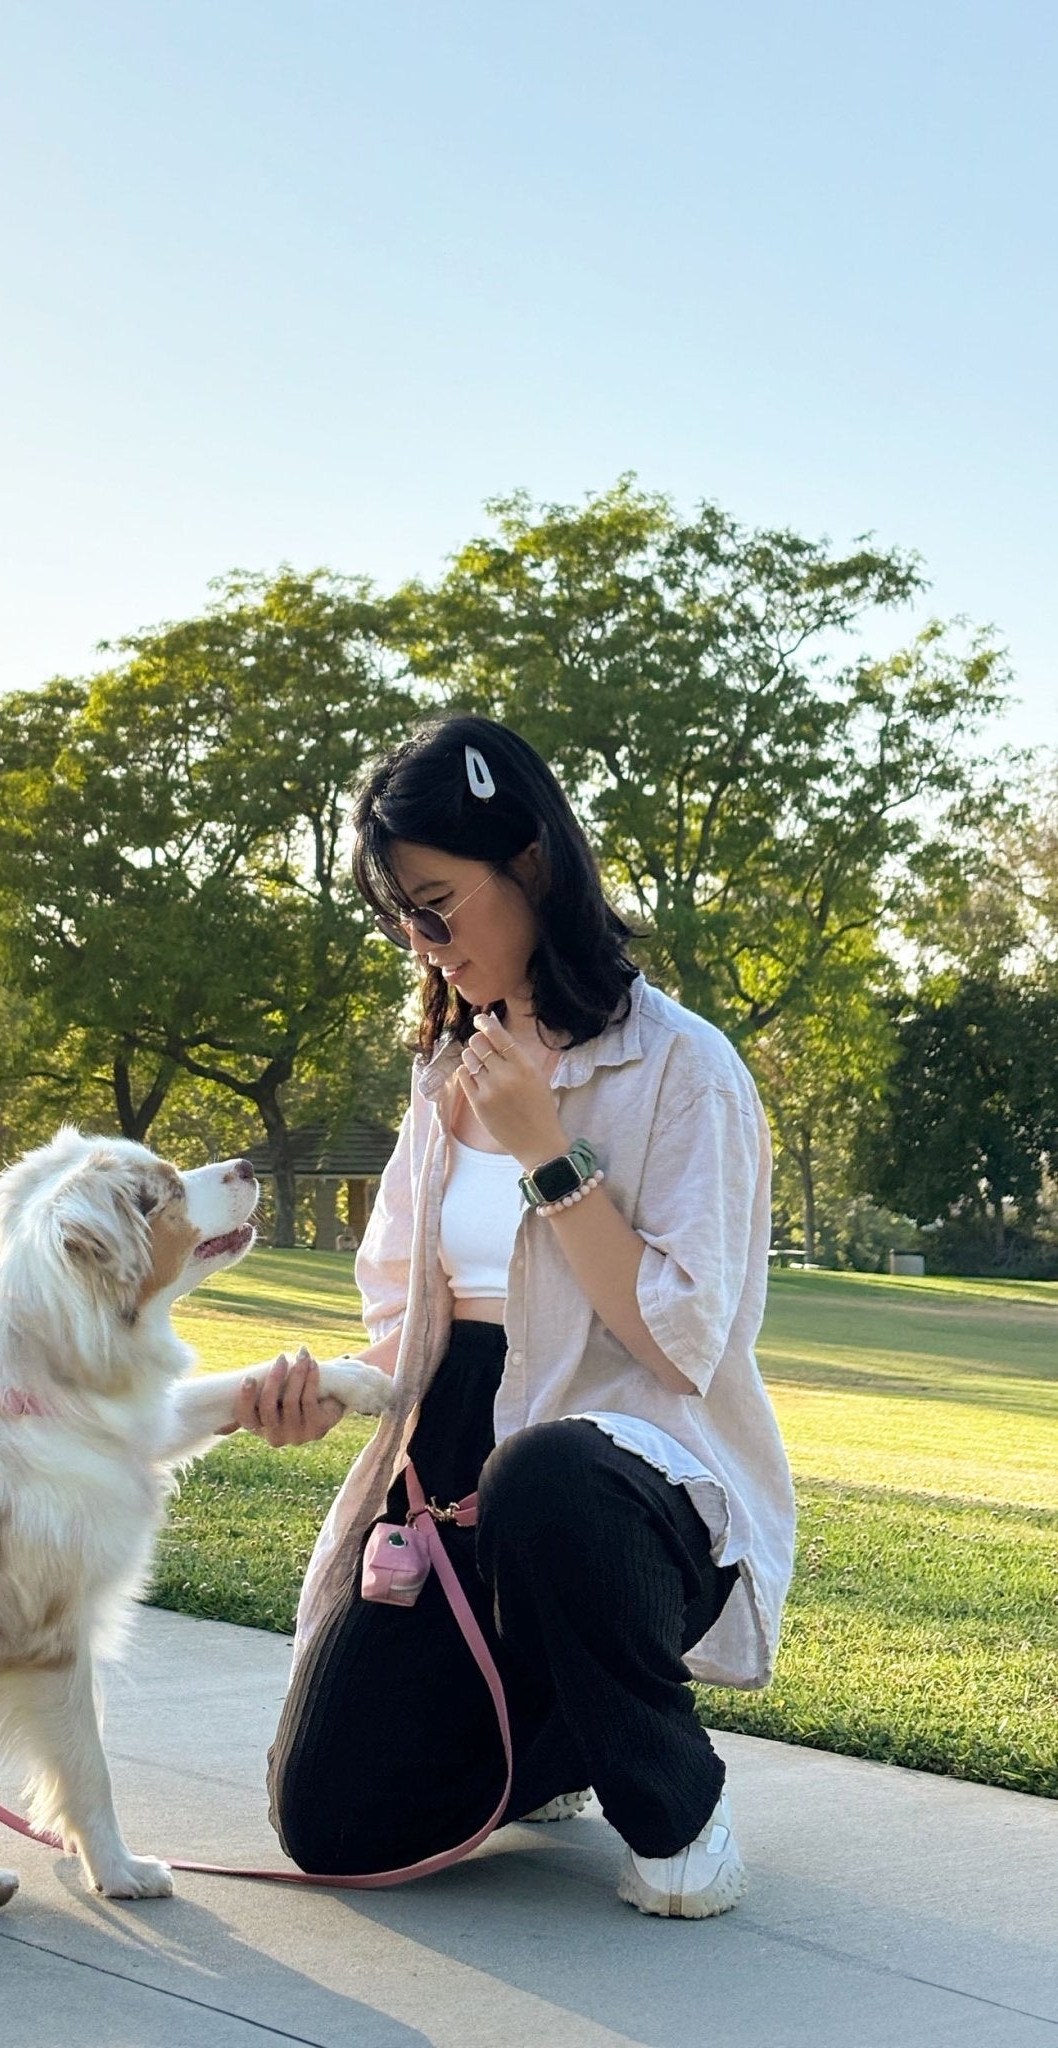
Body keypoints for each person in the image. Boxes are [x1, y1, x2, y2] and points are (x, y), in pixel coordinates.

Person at [228, 712, 795, 1919]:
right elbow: (405, 1322)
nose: (423, 945)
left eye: (437, 905)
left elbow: (681, 1339)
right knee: (333, 1819)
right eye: (400, 920)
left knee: (545, 1472)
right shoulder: (447, 1081)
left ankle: (679, 1804)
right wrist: (323, 1388)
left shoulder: (685, 1070)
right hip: (449, 1464)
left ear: (531, 861)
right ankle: (564, 1726)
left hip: (624, 1488)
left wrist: (552, 1152)